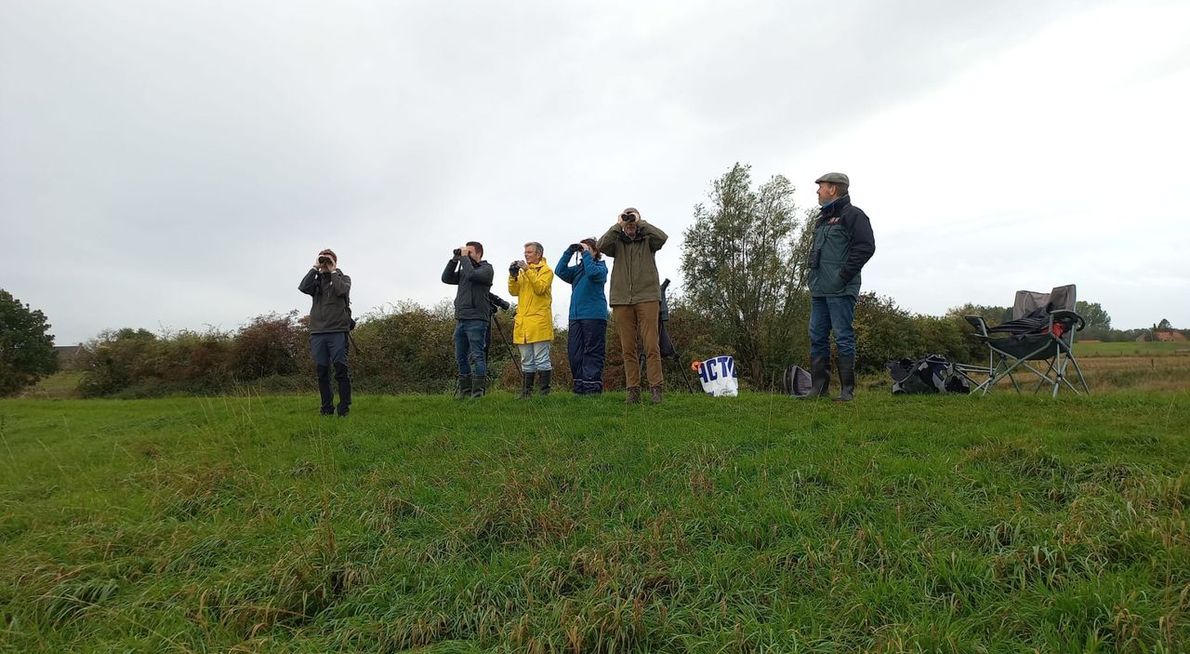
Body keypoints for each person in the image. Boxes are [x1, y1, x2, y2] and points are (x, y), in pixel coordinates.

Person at [806, 172, 876, 401]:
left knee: (843, 337)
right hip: (819, 289)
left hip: (841, 289)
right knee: (817, 336)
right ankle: (819, 389)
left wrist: (843, 276)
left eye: (821, 187)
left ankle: (847, 392)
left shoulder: (854, 215)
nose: (818, 191)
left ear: (833, 189)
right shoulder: (822, 219)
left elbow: (866, 247)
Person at [597, 207, 668, 404]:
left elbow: (662, 238)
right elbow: (601, 245)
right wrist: (618, 224)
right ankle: (633, 390)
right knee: (627, 348)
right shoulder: (616, 243)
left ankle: (656, 389)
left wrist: (640, 222)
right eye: (626, 219)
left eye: (632, 219)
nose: (629, 223)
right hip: (621, 300)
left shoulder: (648, 241)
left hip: (647, 297)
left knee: (651, 345)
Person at [298, 249, 353, 416]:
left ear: (335, 262)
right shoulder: (316, 282)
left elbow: (341, 291)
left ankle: (343, 409)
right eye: (323, 260)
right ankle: (326, 409)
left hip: (337, 331)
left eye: (328, 260)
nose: (325, 263)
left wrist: (333, 270)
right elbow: (303, 287)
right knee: (322, 372)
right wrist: (315, 267)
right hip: (318, 332)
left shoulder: (343, 279)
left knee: (341, 371)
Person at [554, 238, 609, 395]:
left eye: (588, 249)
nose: (584, 251)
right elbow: (559, 271)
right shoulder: (577, 270)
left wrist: (585, 254)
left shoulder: (601, 268)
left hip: (594, 315)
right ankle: (579, 386)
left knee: (592, 351)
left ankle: (592, 387)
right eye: (582, 249)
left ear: (596, 252)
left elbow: (592, 273)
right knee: (575, 352)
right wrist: (569, 251)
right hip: (575, 316)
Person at [441, 242, 494, 398]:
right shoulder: (464, 270)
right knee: (460, 357)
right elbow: (446, 278)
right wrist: (454, 259)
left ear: (479, 254)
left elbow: (472, 275)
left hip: (477, 318)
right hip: (462, 318)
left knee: (477, 356)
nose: (467, 254)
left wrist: (464, 258)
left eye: (470, 252)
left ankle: (477, 394)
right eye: (466, 251)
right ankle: (464, 393)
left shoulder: (486, 269)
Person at [508, 241, 555, 397]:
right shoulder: (523, 272)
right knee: (526, 360)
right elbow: (513, 292)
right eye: (525, 252)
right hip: (523, 323)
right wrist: (513, 276)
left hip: (539, 322)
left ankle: (544, 394)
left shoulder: (546, 270)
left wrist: (527, 270)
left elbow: (540, 288)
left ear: (538, 254)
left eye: (529, 252)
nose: (526, 255)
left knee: (541, 359)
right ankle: (526, 393)